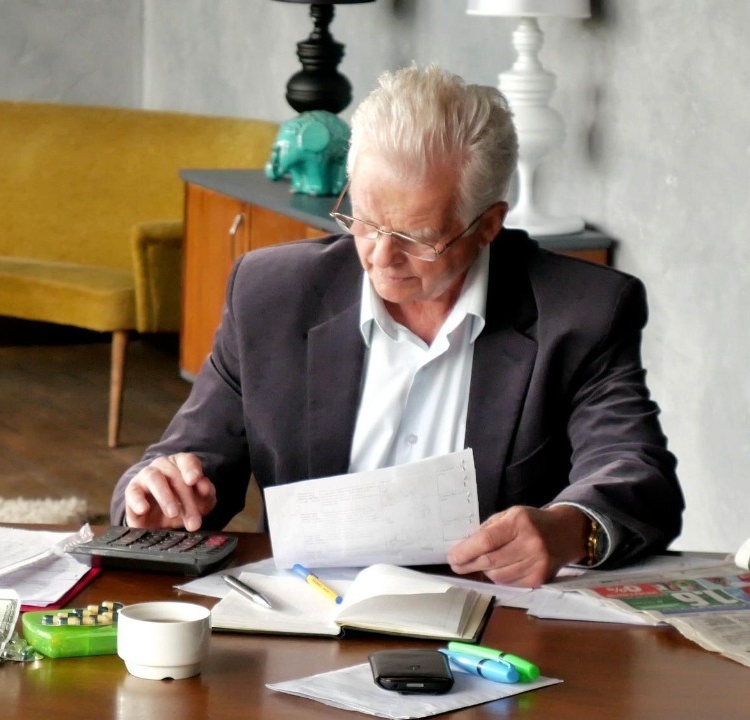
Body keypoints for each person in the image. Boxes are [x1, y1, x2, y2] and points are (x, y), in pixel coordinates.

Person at [110, 63, 684, 588]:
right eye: (363, 221)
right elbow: (194, 455)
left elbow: (635, 472)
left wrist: (567, 530)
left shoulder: (581, 311)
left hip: (491, 629)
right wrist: (158, 496)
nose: (381, 258)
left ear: (488, 225)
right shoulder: (273, 294)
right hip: (302, 614)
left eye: (415, 237)